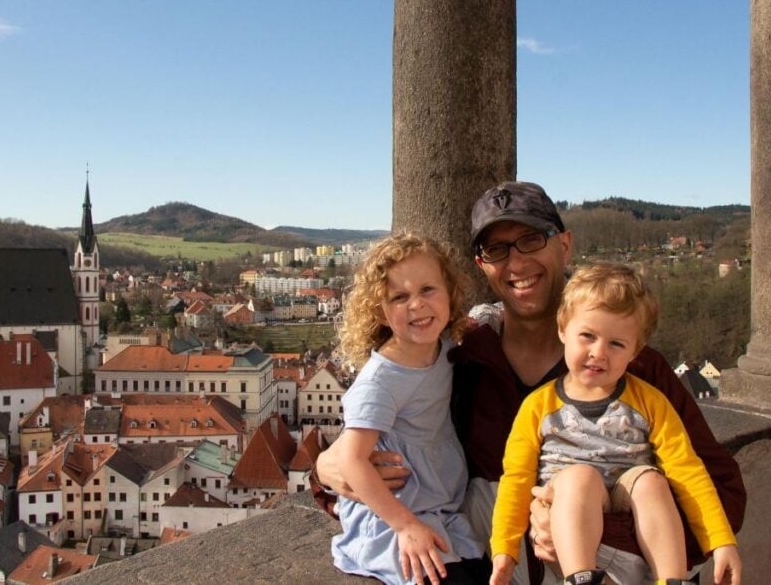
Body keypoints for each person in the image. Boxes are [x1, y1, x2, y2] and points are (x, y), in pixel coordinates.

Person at [316, 181, 746, 584]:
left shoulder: (634, 367)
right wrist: (326, 469)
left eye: (531, 240)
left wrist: (590, 527)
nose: (516, 263)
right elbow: (397, 423)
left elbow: (723, 492)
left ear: (564, 245)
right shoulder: (465, 357)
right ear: (482, 266)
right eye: (497, 249)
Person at [488, 263, 742, 585]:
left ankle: (672, 580)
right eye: (588, 336)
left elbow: (688, 472)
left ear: (635, 352)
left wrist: (720, 541)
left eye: (616, 344)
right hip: (570, 523)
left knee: (652, 481)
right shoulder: (538, 407)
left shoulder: (651, 402)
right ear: (563, 329)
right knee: (578, 478)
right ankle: (581, 579)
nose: (599, 352)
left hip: (628, 498)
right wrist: (505, 550)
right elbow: (516, 480)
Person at [329, 233, 486, 585]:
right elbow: (352, 462)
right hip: (393, 513)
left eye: (428, 290)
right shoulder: (381, 381)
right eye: (400, 297)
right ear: (380, 312)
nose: (417, 305)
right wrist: (405, 525)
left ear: (450, 292)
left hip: (437, 505)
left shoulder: (444, 347)